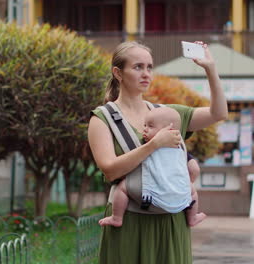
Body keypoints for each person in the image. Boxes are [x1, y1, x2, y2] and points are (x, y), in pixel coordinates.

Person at [88, 41, 227, 264]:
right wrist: (153, 144)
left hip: (172, 221)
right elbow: (110, 170)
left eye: (150, 67)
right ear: (118, 73)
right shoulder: (102, 118)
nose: (146, 74)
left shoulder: (167, 114)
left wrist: (210, 68)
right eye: (138, 67)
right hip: (130, 222)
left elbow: (218, 113)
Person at [98, 107, 207, 228]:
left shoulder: (148, 146)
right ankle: (192, 218)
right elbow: (194, 169)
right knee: (192, 193)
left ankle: (117, 217)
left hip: (152, 195)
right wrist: (183, 184)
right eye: (145, 125)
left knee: (122, 189)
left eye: (150, 126)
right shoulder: (179, 149)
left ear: (168, 130)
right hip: (178, 198)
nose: (145, 129)